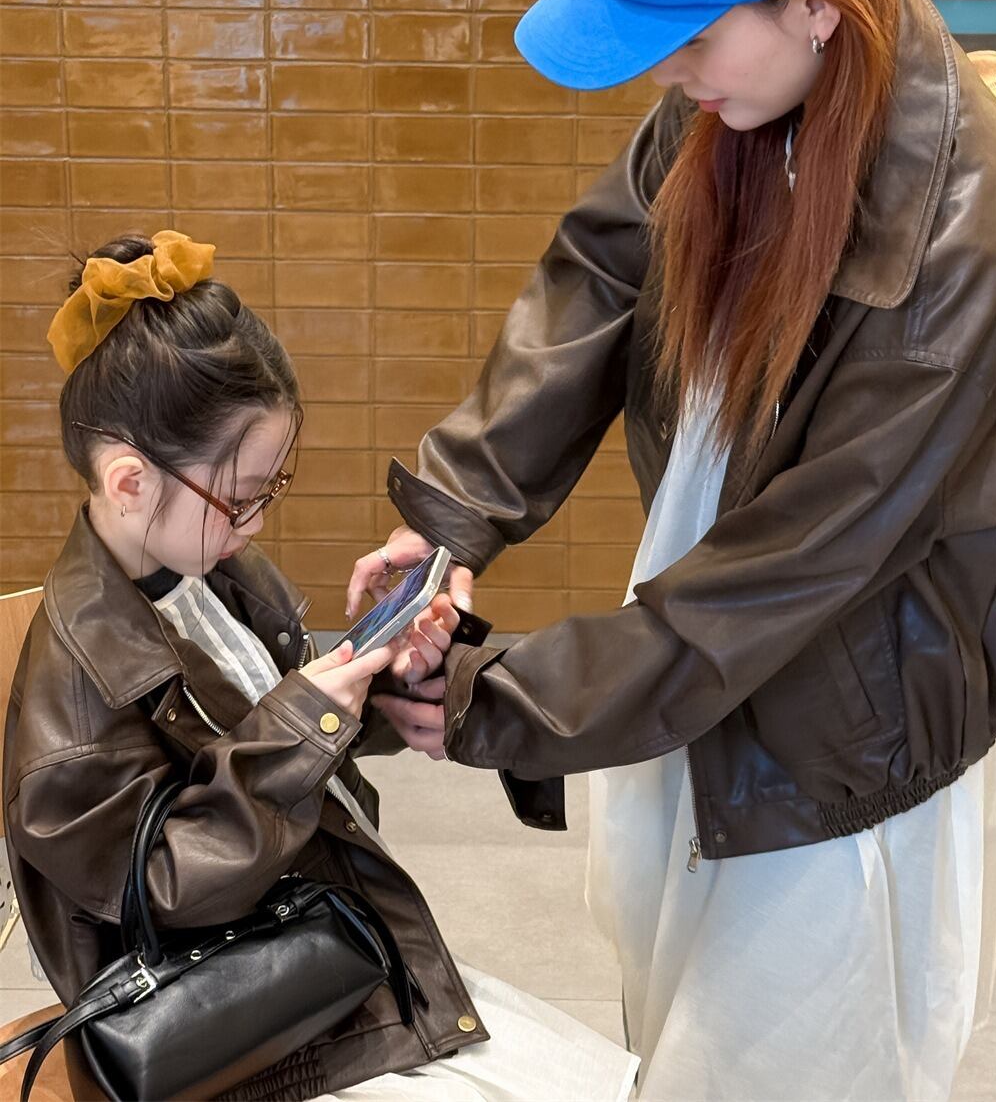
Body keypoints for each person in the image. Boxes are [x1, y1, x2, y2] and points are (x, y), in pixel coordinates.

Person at [348, 0, 996, 1100]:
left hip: (840, 737)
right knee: (670, 1015)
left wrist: (497, 699)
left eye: (693, 34)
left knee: (781, 1061)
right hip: (697, 651)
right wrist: (456, 512)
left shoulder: (954, 247)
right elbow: (600, 273)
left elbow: (790, 574)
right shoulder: (745, 95)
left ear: (819, 5)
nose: (667, 70)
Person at [1, 231, 638, 1101]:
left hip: (313, 942)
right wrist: (304, 722)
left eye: (271, 488)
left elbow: (273, 719)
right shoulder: (74, 698)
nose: (257, 522)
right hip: (213, 1020)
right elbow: (163, 887)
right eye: (241, 497)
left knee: (593, 1078)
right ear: (129, 482)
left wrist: (382, 672)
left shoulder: (208, 568)